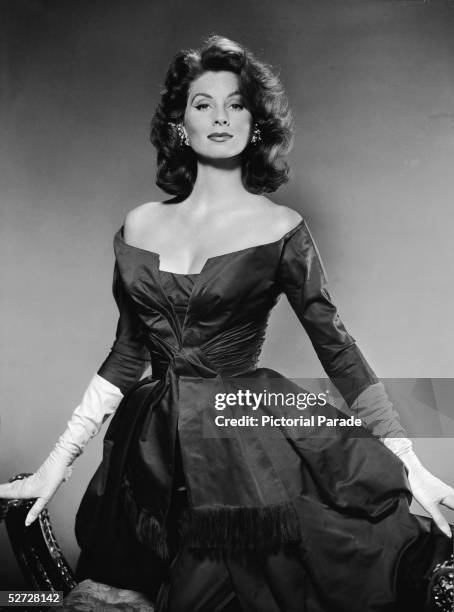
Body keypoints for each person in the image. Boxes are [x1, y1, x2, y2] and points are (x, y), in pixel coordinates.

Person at [0, 34, 453, 612]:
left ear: (256, 124)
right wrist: (52, 469)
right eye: (202, 103)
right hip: (148, 450)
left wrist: (407, 463)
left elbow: (337, 349)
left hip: (241, 441)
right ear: (178, 124)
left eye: (236, 104)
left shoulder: (282, 228)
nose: (220, 116)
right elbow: (125, 354)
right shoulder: (138, 225)